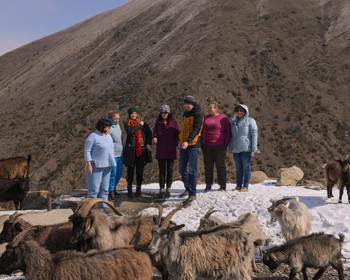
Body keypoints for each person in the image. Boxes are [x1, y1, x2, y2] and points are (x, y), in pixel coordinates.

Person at [84, 118, 116, 203]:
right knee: (94, 190)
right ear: (103, 127)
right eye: (108, 127)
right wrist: (89, 165)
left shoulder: (109, 136)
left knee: (105, 189)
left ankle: (103, 206)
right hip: (96, 166)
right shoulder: (93, 136)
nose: (109, 129)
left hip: (108, 165)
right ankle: (90, 208)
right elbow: (87, 151)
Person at [201, 101, 231, 191]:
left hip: (220, 145)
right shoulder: (205, 118)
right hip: (206, 145)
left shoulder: (224, 119)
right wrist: (201, 142)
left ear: (216, 108)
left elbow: (228, 132)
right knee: (208, 166)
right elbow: (201, 131)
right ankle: (208, 185)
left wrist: (225, 143)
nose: (210, 109)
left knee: (220, 165)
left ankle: (222, 185)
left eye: (211, 107)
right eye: (209, 107)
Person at [179, 95, 203, 202]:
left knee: (192, 170)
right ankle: (188, 188)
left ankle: (192, 193)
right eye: (186, 104)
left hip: (193, 145)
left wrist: (187, 141)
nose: (188, 106)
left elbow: (196, 129)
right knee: (182, 168)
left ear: (193, 104)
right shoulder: (185, 114)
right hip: (184, 144)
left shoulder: (198, 114)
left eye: (190, 104)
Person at [123, 107, 152, 198]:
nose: (133, 115)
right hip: (131, 150)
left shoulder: (143, 124)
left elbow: (149, 133)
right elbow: (131, 132)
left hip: (141, 150)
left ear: (138, 114)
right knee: (130, 170)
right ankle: (129, 189)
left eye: (135, 113)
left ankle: (138, 189)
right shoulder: (127, 123)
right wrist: (139, 125)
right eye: (132, 113)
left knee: (140, 170)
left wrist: (148, 143)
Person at [152, 104, 180, 199]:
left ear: (168, 113)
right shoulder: (158, 122)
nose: (164, 114)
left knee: (170, 170)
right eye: (162, 112)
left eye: (166, 112)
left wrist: (176, 143)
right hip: (161, 149)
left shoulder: (174, 122)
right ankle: (161, 189)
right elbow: (155, 132)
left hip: (171, 149)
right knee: (162, 170)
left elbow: (177, 133)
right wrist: (155, 137)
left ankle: (168, 188)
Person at [229, 104, 258, 192]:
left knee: (246, 167)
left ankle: (245, 186)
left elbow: (254, 134)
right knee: (238, 168)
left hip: (246, 148)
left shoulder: (250, 121)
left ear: (245, 111)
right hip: (236, 148)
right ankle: (238, 186)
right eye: (237, 110)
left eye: (241, 110)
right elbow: (231, 135)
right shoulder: (232, 121)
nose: (239, 112)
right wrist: (230, 146)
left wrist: (254, 147)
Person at [105, 110, 123, 200]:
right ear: (111, 118)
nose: (117, 120)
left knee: (119, 172)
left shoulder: (117, 125)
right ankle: (110, 191)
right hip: (112, 154)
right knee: (113, 173)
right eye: (115, 119)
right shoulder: (108, 126)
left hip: (119, 153)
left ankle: (114, 187)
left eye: (118, 119)